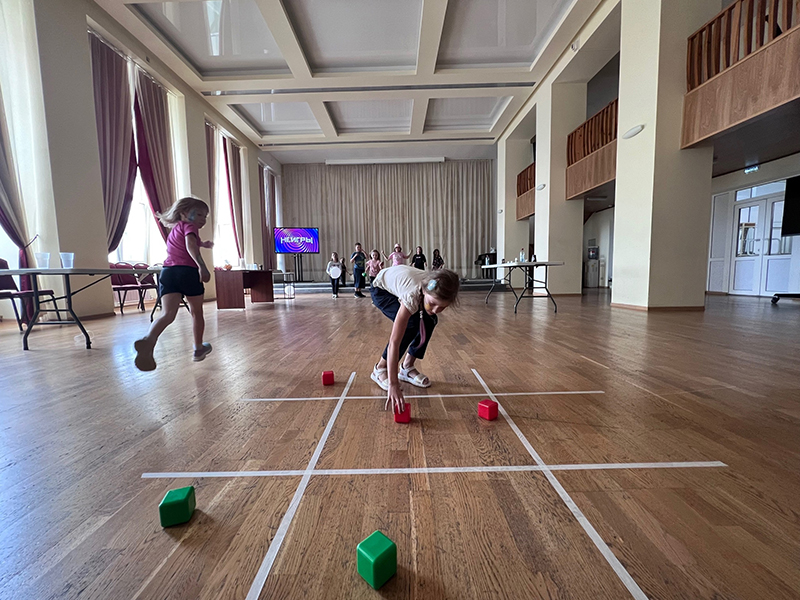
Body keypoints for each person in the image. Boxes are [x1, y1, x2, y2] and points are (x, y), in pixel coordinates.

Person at [134, 197, 214, 371]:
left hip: (168, 273)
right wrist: (202, 266)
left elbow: (187, 242)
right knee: (196, 312)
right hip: (187, 272)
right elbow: (190, 244)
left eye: (205, 216)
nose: (203, 219)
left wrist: (203, 244)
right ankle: (198, 349)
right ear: (184, 213)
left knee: (167, 314)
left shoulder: (176, 229)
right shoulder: (190, 227)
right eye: (199, 214)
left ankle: (149, 340)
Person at [370, 265, 460, 414]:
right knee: (411, 323)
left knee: (430, 320)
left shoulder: (432, 288)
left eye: (442, 307)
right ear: (424, 291)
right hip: (381, 290)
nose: (435, 310)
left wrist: (430, 306)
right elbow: (394, 342)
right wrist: (393, 384)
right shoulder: (412, 295)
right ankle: (379, 369)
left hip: (404, 284)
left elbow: (431, 310)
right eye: (432, 303)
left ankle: (407, 367)